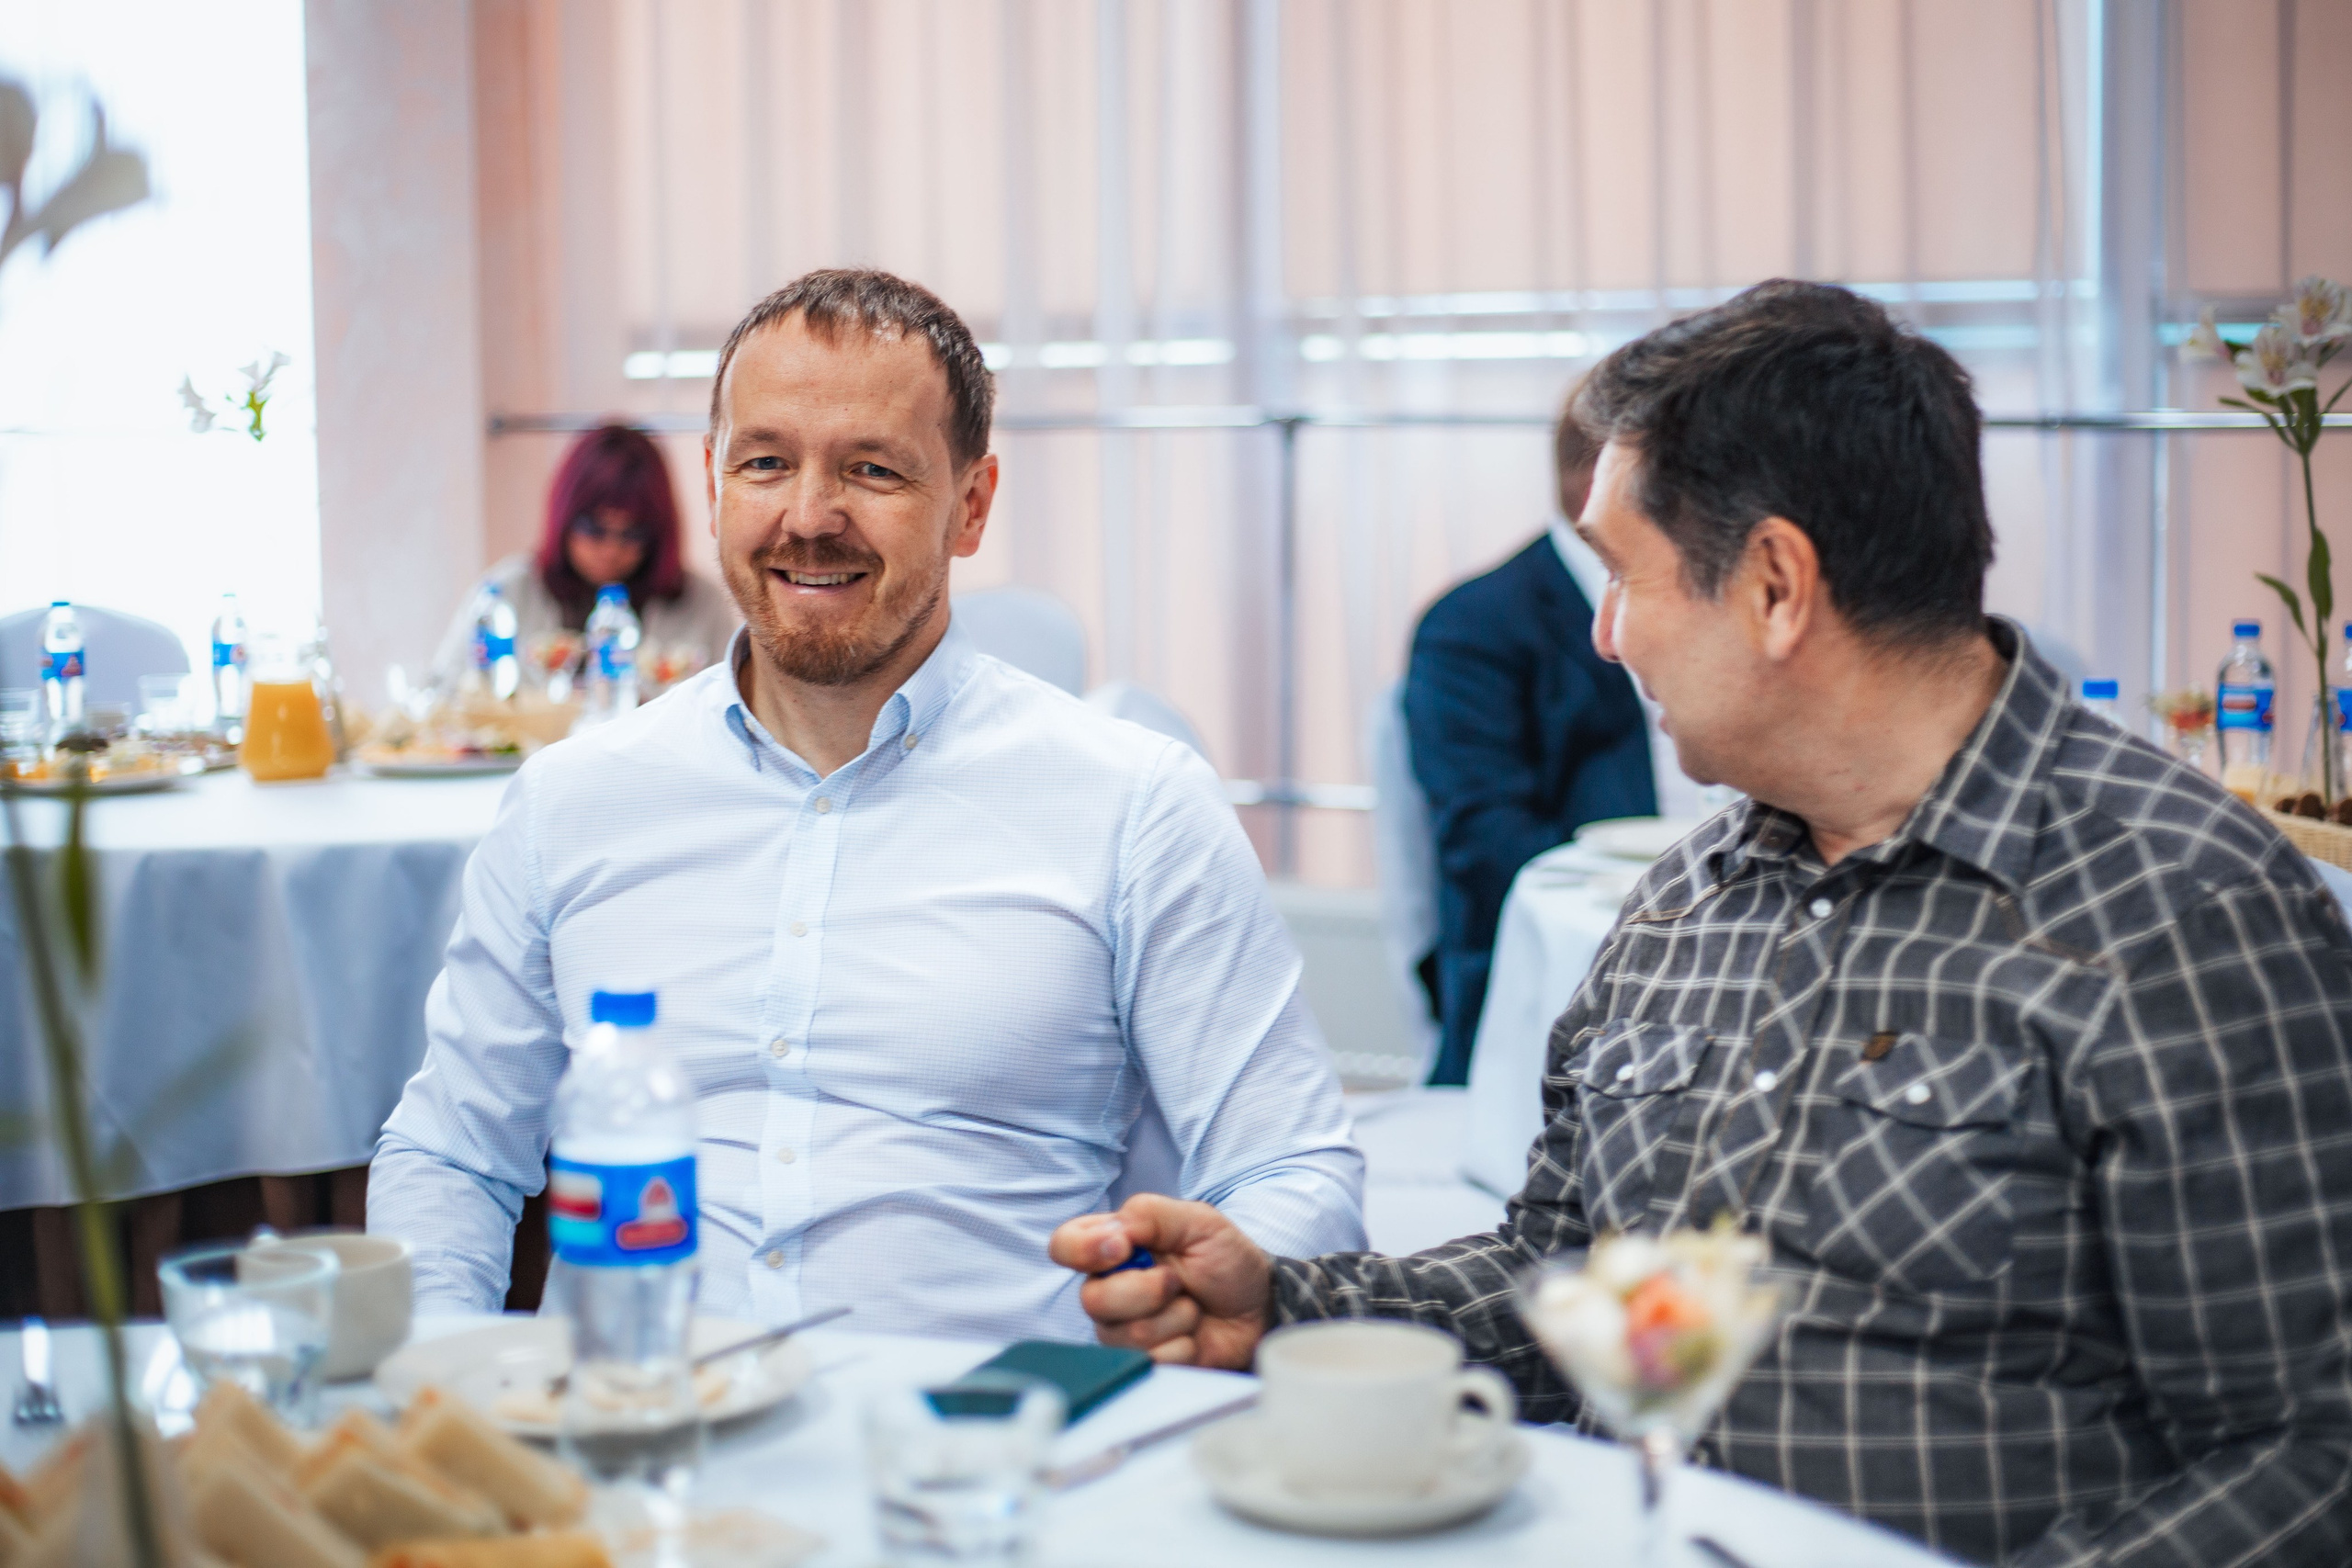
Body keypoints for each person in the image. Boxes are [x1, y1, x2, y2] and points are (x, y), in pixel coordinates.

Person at [1050, 281, 2352, 1566]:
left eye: (1624, 574)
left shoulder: (2180, 912)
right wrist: (1289, 1305)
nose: (1604, 635)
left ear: (1776, 584)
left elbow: (2310, 1453)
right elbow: (1568, 1283)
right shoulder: (1683, 904)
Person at [372, 269, 1365, 1340]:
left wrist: (1200, 1299)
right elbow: (453, 1152)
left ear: (971, 505)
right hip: (636, 1413)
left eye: (872, 469)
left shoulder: (1133, 805)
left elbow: (1292, 1167)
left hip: (989, 1423)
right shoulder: (571, 800)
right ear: (712, 482)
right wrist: (442, 1362)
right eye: (765, 463)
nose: (809, 518)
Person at [1402, 392, 1660, 1085]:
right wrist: (1673, 908)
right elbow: (1487, 842)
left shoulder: (1703, 602)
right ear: (1596, 479)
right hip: (1547, 996)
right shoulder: (1473, 626)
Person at [429, 423, 741, 689]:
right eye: (594, 529)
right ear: (565, 518)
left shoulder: (699, 603)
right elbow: (442, 690)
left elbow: (727, 706)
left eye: (632, 534)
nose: (610, 550)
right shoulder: (506, 592)